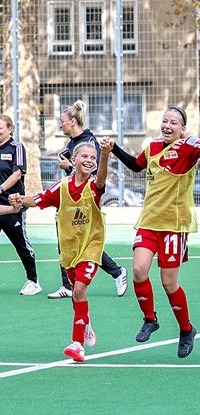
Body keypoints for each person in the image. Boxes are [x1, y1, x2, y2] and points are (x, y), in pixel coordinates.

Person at [108, 106, 200, 358]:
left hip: (174, 225)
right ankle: (150, 318)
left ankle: (186, 330)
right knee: (139, 270)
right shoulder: (152, 148)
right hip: (149, 222)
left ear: (182, 128)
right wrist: (114, 150)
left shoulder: (188, 147)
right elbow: (135, 166)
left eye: (174, 122)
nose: (167, 125)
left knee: (168, 282)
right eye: (164, 121)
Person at [9, 139, 113, 362]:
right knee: (77, 295)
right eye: (84, 156)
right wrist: (19, 199)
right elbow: (38, 199)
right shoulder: (61, 187)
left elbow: (102, 179)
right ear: (72, 160)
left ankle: (77, 345)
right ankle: (85, 322)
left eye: (92, 157)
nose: (89, 160)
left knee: (78, 291)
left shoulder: (94, 186)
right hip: (69, 250)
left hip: (91, 247)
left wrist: (105, 155)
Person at [47, 100, 129, 299]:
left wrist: (68, 167)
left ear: (73, 121)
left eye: (62, 121)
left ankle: (118, 272)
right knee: (67, 240)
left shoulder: (89, 141)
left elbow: (91, 173)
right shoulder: (71, 144)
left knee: (85, 243)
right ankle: (68, 285)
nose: (60, 125)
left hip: (86, 199)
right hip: (70, 198)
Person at [0, 114, 40, 295]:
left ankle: (33, 281)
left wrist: (1, 188)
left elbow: (17, 174)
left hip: (13, 204)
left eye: (0, 127)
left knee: (21, 244)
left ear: (9, 129)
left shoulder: (17, 147)